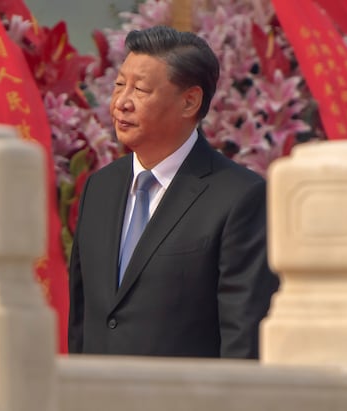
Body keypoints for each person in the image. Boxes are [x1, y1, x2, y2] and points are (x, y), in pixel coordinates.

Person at [68, 25, 279, 358]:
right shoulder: (100, 188)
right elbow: (83, 319)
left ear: (189, 101)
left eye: (140, 89)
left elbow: (243, 340)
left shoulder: (240, 197)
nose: (121, 103)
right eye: (119, 85)